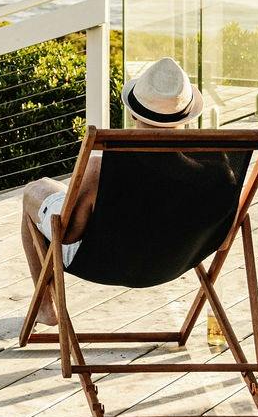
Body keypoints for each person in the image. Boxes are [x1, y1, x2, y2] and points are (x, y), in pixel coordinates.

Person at [19, 56, 207, 325]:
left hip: (103, 261)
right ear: (187, 117)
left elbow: (69, 234)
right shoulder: (214, 169)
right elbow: (222, 238)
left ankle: (46, 307)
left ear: (133, 113)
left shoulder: (103, 169)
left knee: (34, 192)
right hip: (178, 259)